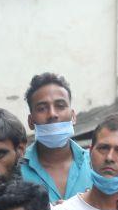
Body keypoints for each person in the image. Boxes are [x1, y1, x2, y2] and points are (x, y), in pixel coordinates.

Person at [18, 72, 91, 203]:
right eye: (42, 108)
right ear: (30, 121)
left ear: (73, 116)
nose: (52, 114)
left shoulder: (94, 164)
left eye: (60, 106)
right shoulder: (16, 171)